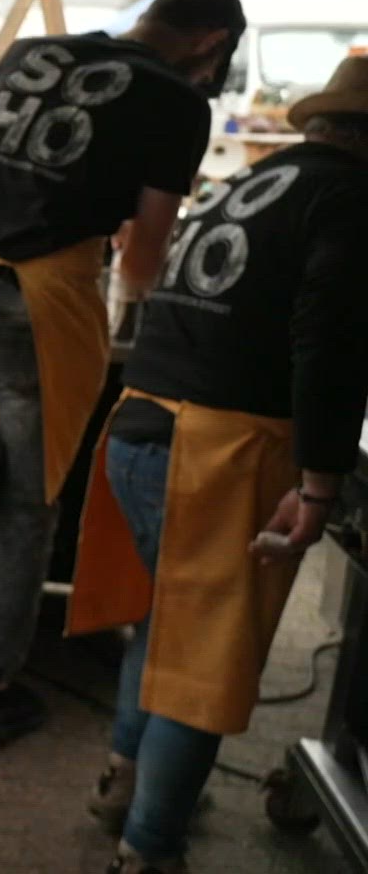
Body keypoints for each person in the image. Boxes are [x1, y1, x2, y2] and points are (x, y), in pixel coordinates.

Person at [0, 0, 248, 747]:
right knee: (28, 500)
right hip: (46, 300)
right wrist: (134, 290)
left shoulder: (30, 52)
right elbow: (144, 255)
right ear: (210, 44)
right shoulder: (177, 100)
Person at [70, 58, 368, 874]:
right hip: (219, 451)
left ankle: (124, 784)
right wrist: (320, 483)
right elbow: (330, 347)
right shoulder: (350, 199)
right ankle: (149, 847)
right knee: (207, 659)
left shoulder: (258, 182)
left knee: (166, 624)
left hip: (140, 423)